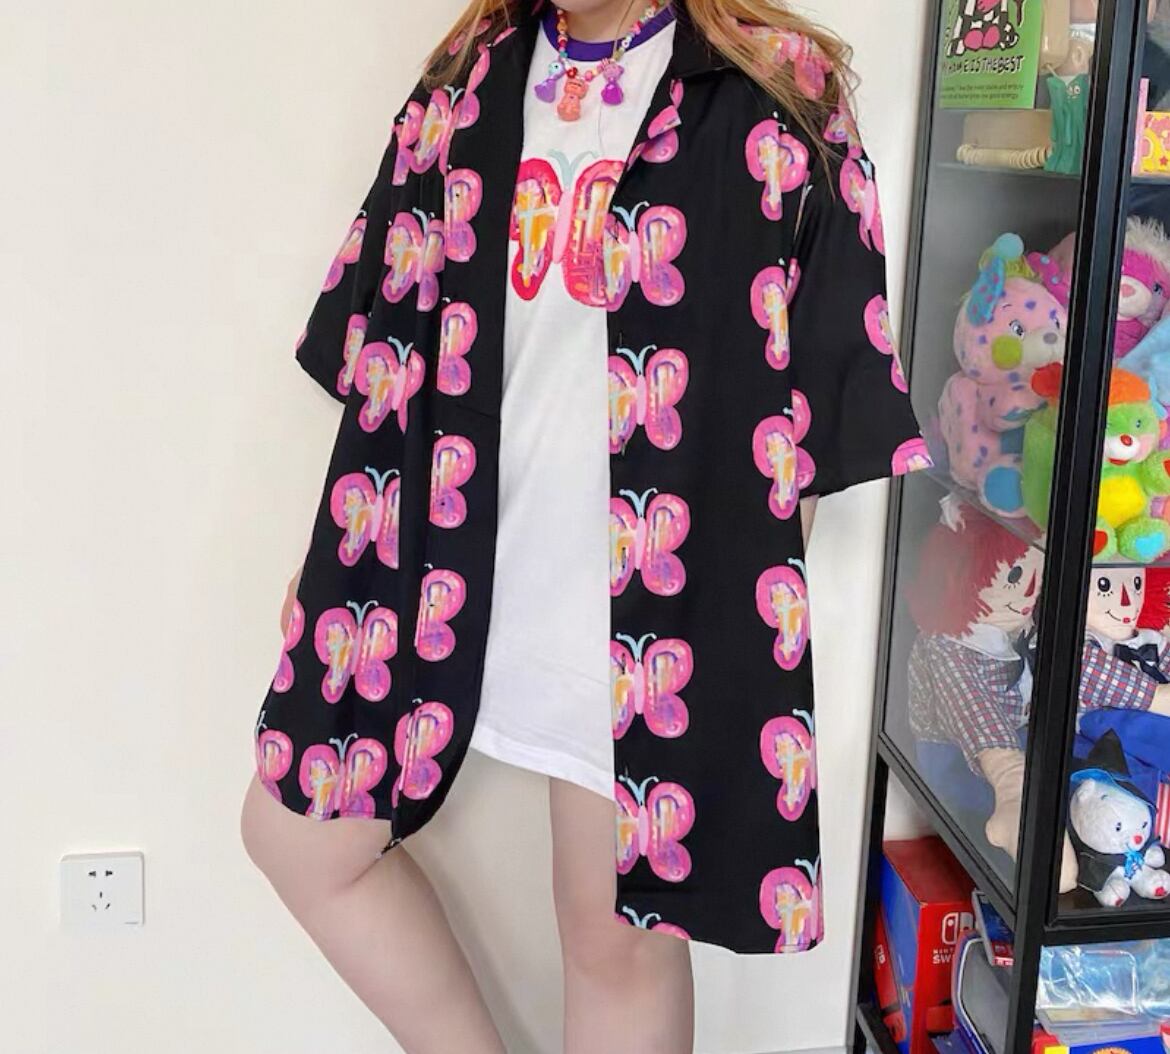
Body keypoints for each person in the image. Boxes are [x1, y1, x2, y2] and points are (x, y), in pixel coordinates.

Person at [239, 1, 930, 1051]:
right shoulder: (467, 77)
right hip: (439, 563)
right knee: (298, 839)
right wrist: (333, 553)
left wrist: (734, 636)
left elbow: (817, 417)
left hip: (645, 603)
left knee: (615, 939)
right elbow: (383, 348)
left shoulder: (778, 93)